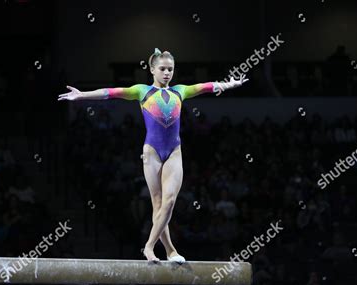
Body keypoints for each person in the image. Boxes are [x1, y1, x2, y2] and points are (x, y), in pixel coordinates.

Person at [58, 48, 248, 262]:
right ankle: (170, 251)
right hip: (152, 152)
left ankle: (149, 247)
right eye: (163, 69)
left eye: (171, 69)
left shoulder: (180, 91)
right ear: (152, 70)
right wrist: (82, 95)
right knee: (157, 203)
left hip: (174, 152)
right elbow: (111, 92)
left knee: (169, 201)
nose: (167, 73)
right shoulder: (142, 91)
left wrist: (229, 84)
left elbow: (205, 87)